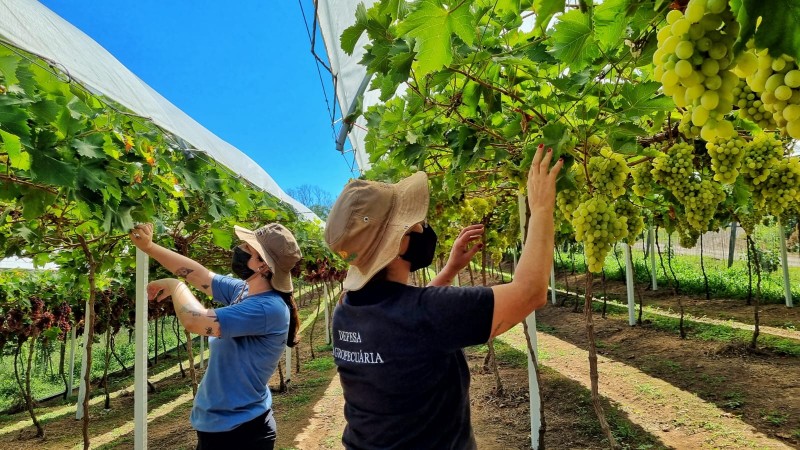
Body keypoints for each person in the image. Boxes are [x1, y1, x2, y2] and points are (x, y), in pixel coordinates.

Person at [324, 144, 562, 449]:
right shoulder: (426, 314)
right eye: (414, 223)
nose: (424, 227)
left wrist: (449, 270)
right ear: (400, 244)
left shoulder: (347, 310)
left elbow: (407, 324)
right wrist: (541, 208)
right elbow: (530, 293)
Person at [129, 222, 302, 450]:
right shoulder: (244, 290)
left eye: (247, 248)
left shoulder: (267, 308)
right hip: (219, 427)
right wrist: (150, 247)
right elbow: (199, 274)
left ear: (263, 265)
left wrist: (175, 286)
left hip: (241, 433)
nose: (239, 249)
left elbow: (194, 320)